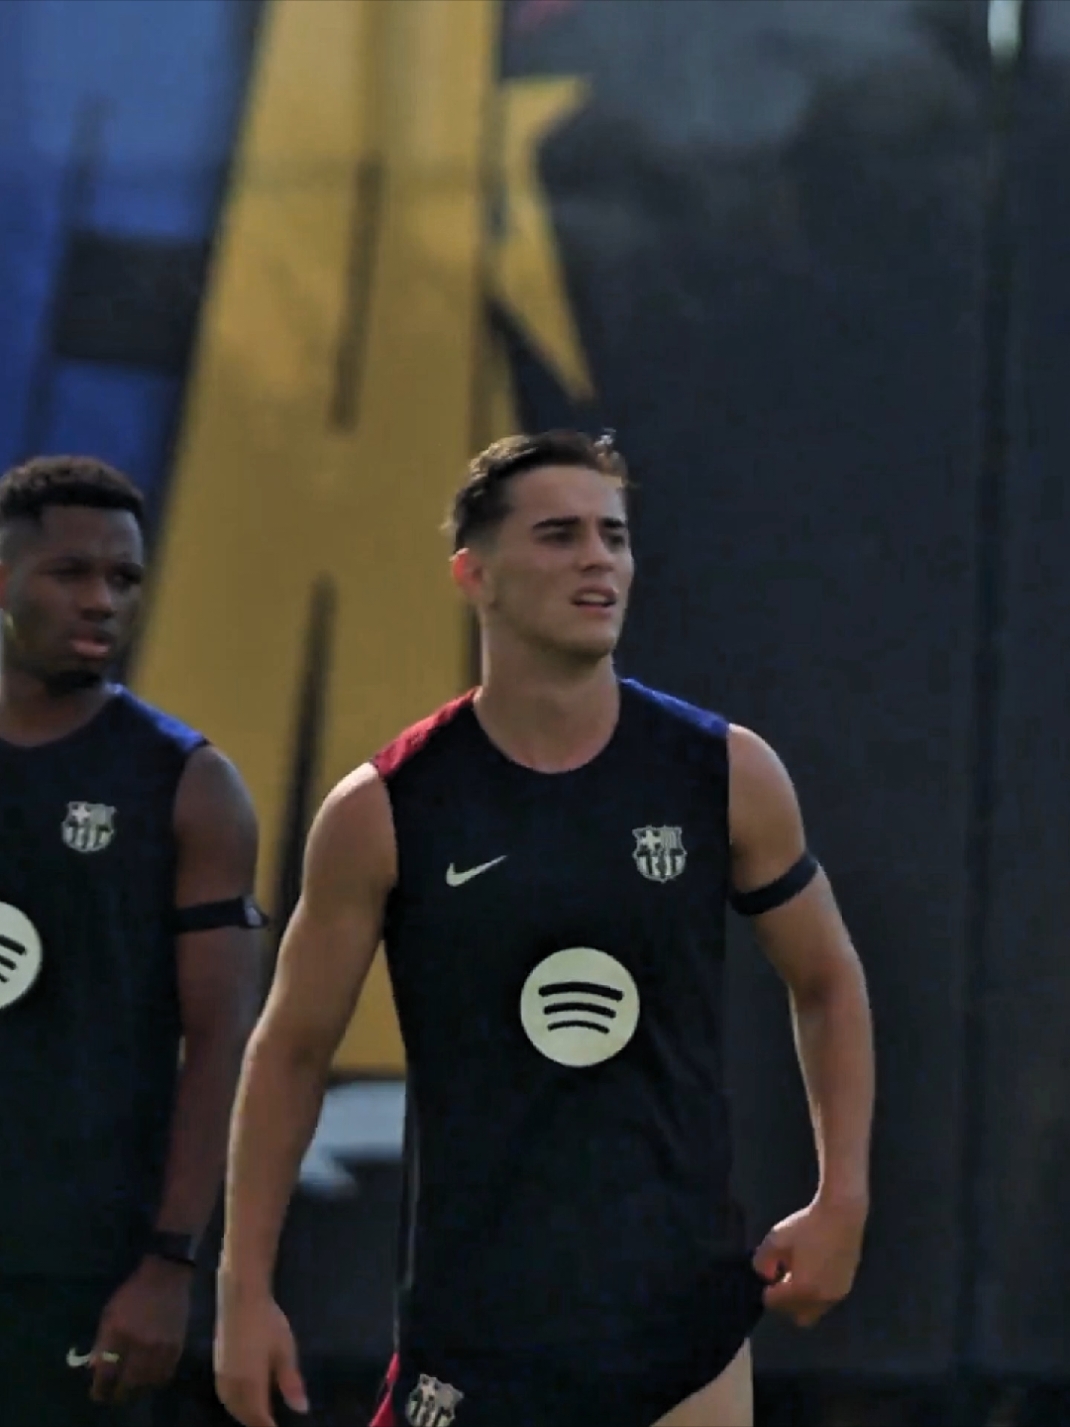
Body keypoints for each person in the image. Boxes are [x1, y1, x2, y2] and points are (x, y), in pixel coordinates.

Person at [214, 430, 875, 1427]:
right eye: (558, 535)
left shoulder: (723, 772)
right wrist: (241, 1286)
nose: (596, 558)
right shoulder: (387, 806)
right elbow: (292, 1047)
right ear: (472, 573)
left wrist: (843, 1195)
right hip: (474, 1332)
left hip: (679, 1334)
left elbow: (826, 980)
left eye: (611, 535)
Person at [0, 455, 267, 1425]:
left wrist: (168, 1260)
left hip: (80, 1263)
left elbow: (219, 1042)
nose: (103, 599)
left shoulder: (186, 785)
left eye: (124, 578)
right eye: (71, 572)